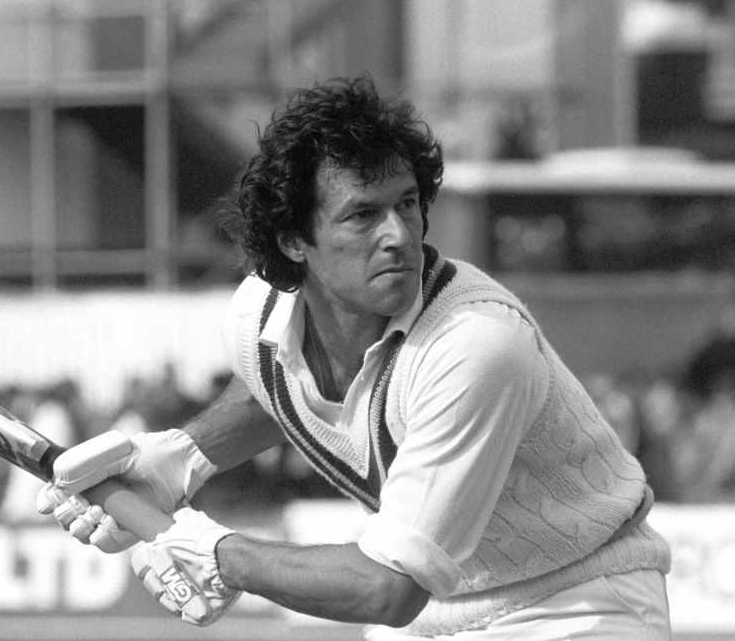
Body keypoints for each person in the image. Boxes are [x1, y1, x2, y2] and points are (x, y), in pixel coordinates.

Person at [36, 75, 673, 638]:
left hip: (574, 602)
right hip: (432, 616)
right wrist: (182, 458)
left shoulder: (475, 345)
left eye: (405, 204)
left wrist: (214, 550)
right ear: (293, 240)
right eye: (361, 216)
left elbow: (387, 588)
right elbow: (281, 386)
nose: (398, 235)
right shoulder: (255, 320)